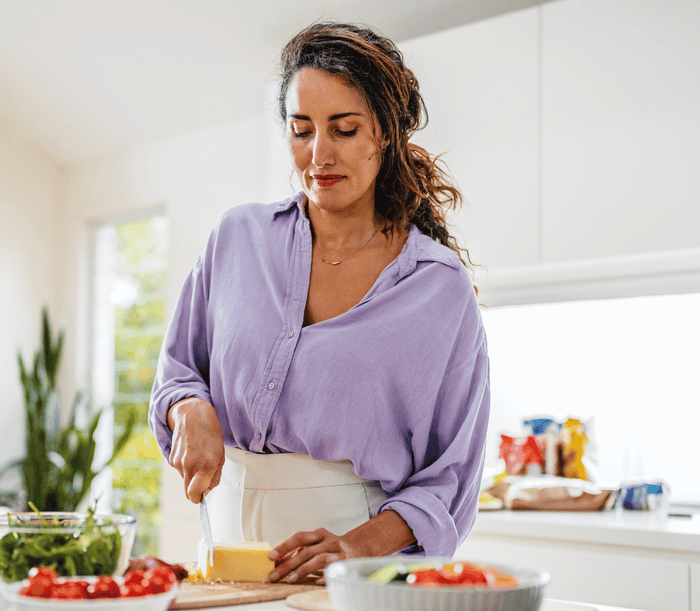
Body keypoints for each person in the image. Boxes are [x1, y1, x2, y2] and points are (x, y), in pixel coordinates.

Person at [148, 21, 490, 583]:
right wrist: (189, 409)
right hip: (223, 563)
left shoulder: (436, 287)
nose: (318, 154)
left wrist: (356, 549)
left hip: (354, 572)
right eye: (301, 129)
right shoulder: (237, 239)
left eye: (344, 129)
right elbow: (178, 371)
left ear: (385, 133)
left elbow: (450, 474)